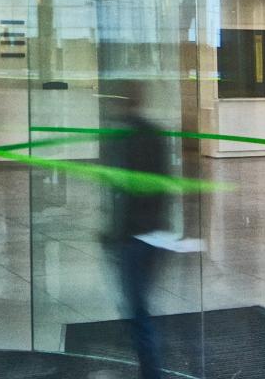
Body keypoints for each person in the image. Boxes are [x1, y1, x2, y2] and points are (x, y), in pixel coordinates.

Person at [101, 81, 171, 379]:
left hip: (133, 236)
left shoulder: (124, 137)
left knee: (137, 311)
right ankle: (149, 367)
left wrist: (116, 234)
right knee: (137, 305)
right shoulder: (154, 134)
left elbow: (124, 191)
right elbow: (162, 185)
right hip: (153, 232)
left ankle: (152, 372)